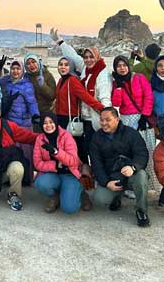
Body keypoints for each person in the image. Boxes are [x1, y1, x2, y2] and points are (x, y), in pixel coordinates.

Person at [50, 29, 112, 163]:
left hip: (96, 116)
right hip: (84, 116)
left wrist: (105, 110)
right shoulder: (85, 69)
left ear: (97, 57)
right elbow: (73, 56)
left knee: (93, 149)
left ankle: (94, 175)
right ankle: (87, 174)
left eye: (91, 57)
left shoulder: (101, 74)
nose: (88, 60)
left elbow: (99, 95)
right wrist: (60, 42)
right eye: (86, 57)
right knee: (85, 148)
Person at [55, 55, 105, 211]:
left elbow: (86, 98)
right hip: (61, 122)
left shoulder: (73, 80)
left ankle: (83, 192)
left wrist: (103, 109)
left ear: (70, 67)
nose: (63, 67)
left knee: (77, 158)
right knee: (64, 157)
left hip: (72, 124)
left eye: (65, 65)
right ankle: (64, 191)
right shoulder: (61, 80)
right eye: (60, 65)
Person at [89, 108, 151, 227]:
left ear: (117, 119)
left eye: (108, 120)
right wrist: (106, 182)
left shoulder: (131, 133)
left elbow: (142, 153)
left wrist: (133, 167)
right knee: (100, 198)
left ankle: (141, 211)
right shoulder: (96, 138)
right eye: (101, 120)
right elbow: (96, 164)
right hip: (113, 176)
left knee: (141, 176)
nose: (103, 123)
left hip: (131, 173)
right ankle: (116, 197)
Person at [110, 55, 160, 191]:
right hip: (126, 119)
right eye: (118, 66)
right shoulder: (116, 83)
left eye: (124, 65)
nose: (122, 68)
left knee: (147, 149)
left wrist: (145, 115)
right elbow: (116, 103)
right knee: (129, 151)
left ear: (128, 65)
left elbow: (148, 96)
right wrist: (119, 89)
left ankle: (150, 184)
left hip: (143, 118)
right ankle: (132, 185)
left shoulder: (139, 78)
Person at [33, 112, 83, 214]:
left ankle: (80, 194)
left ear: (55, 122)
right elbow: (37, 163)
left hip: (69, 173)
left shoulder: (66, 135)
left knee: (69, 209)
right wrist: (55, 165)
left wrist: (56, 152)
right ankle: (55, 196)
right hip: (53, 174)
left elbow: (74, 161)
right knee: (40, 183)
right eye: (45, 123)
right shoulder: (40, 139)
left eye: (51, 122)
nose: (48, 125)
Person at [0, 60, 41, 185]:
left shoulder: (26, 85)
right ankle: (12, 177)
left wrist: (35, 115)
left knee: (25, 153)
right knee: (11, 152)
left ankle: (26, 178)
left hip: (24, 124)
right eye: (13, 68)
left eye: (18, 69)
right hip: (10, 124)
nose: (15, 71)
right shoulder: (6, 83)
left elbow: (32, 102)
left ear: (22, 71)